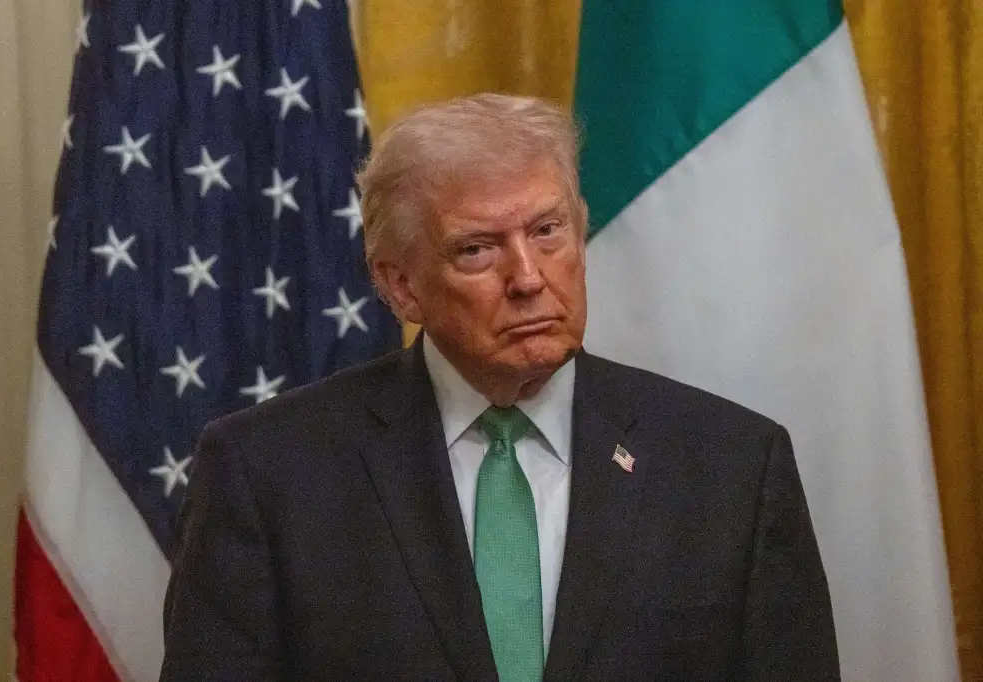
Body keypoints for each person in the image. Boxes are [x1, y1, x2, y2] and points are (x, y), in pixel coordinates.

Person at [160, 93, 839, 681]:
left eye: (548, 232)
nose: (528, 277)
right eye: (477, 249)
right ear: (400, 284)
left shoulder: (733, 467)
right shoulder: (269, 474)